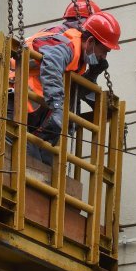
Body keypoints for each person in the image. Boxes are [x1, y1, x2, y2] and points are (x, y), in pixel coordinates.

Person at [10, 9, 121, 163]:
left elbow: (72, 90)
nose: (104, 57)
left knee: (46, 161)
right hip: (11, 95)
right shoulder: (68, 45)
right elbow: (52, 67)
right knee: (29, 158)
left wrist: (91, 76)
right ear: (90, 42)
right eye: (104, 51)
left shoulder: (78, 59)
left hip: (30, 104)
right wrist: (56, 106)